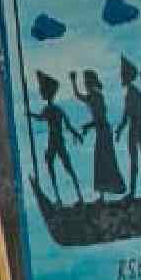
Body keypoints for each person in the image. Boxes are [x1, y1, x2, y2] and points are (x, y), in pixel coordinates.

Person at [30, 71, 85, 207]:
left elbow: (41, 118)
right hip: (55, 141)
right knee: (61, 166)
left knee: (61, 166)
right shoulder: (56, 109)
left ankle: (69, 197)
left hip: (56, 141)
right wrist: (76, 134)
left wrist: (30, 114)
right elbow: (68, 125)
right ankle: (70, 196)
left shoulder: (50, 110)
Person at [70, 69, 126, 200]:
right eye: (85, 82)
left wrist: (88, 126)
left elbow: (99, 119)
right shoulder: (94, 96)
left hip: (104, 131)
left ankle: (108, 191)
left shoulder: (97, 97)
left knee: (104, 161)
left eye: (86, 82)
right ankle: (103, 194)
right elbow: (79, 96)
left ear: (91, 83)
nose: (85, 84)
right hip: (102, 131)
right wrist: (73, 82)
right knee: (101, 161)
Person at [116, 56, 141, 199]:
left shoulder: (136, 94)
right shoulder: (129, 94)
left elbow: (136, 114)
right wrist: (120, 130)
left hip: (139, 128)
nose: (121, 77)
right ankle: (134, 192)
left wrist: (122, 129)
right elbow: (125, 115)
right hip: (134, 128)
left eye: (122, 75)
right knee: (135, 161)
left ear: (128, 77)